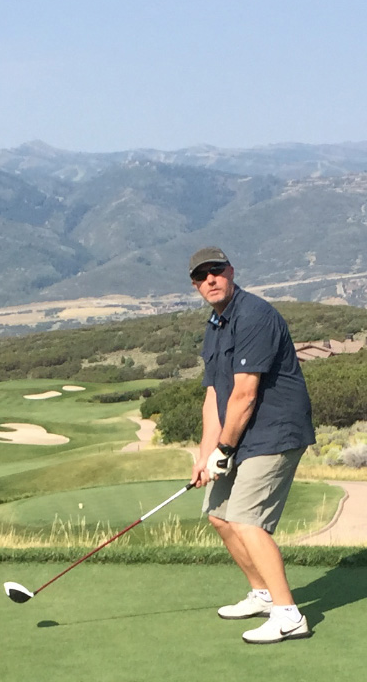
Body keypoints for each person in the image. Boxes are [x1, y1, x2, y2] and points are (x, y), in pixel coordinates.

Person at [188, 246, 315, 644]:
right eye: (200, 276)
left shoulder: (254, 315)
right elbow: (215, 396)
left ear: (231, 271)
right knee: (219, 515)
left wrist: (223, 451)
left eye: (216, 271)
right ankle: (262, 594)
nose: (209, 280)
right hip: (241, 434)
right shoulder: (215, 323)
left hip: (275, 431)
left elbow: (244, 394)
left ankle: (288, 614)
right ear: (194, 285)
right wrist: (207, 454)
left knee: (247, 520)